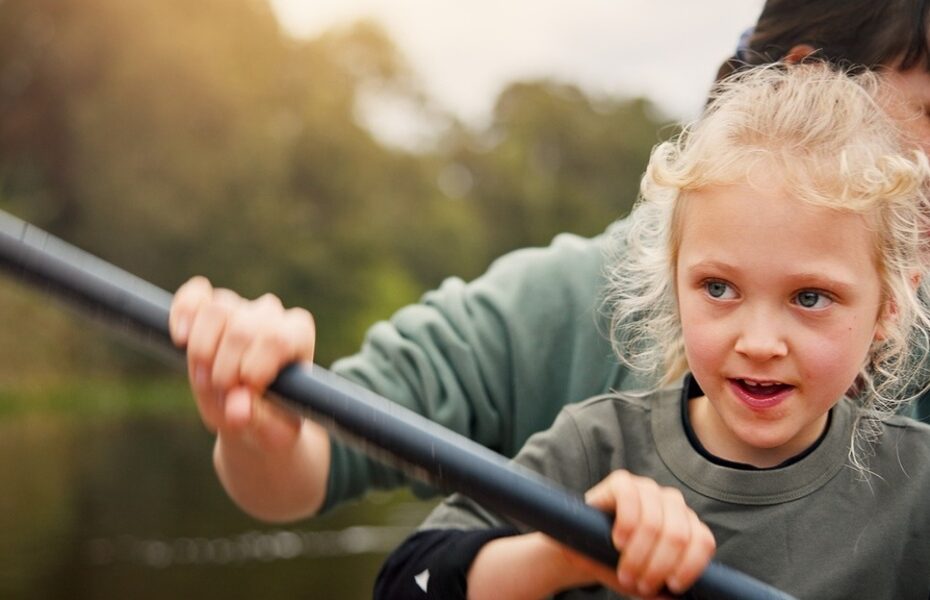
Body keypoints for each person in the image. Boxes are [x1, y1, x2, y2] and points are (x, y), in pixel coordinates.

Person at [168, 0, 930, 521]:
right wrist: (256, 423)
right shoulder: (568, 301)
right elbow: (305, 467)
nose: (760, 338)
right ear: (807, 82)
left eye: (814, 300)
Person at [374, 63, 930, 600]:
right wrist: (565, 555)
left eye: (810, 298)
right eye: (718, 288)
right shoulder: (595, 448)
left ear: (888, 309)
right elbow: (407, 584)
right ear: (674, 280)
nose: (759, 343)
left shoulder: (917, 485)